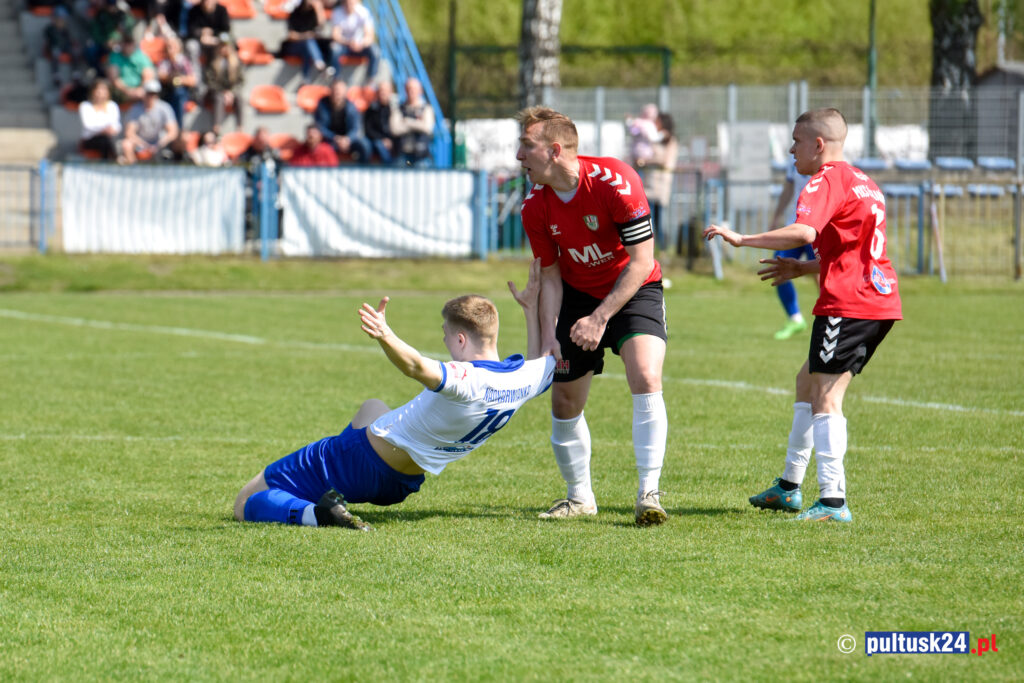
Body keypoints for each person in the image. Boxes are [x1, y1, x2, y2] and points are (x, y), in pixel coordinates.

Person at [233, 259, 556, 530]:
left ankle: (317, 514)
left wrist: (385, 334)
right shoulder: (521, 380)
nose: (444, 342)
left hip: (361, 461)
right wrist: (530, 309)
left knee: (246, 501)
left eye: (445, 335)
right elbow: (539, 360)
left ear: (461, 339)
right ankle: (328, 493)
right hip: (401, 484)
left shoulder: (468, 379)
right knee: (372, 406)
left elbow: (415, 366)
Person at [702, 108, 902, 523]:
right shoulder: (864, 182)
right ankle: (789, 487)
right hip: (878, 300)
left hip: (848, 302)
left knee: (826, 397)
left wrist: (742, 239)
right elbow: (851, 252)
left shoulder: (825, 179)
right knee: (806, 381)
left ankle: (832, 501)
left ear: (818, 144)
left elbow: (804, 232)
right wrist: (804, 267)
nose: (791, 149)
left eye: (796, 141)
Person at [515, 106, 669, 527]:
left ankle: (649, 493)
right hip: (577, 295)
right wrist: (549, 334)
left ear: (554, 150)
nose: (518, 156)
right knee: (565, 401)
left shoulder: (616, 180)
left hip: (633, 287)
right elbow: (550, 276)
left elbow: (641, 261)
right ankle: (579, 497)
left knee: (646, 376)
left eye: (526, 146)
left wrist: (600, 318)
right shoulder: (534, 207)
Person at [767, 157, 816, 340]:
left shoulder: (829, 160)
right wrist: (776, 216)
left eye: (798, 142)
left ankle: (833, 317)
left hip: (817, 229)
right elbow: (788, 188)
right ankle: (795, 319)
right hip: (795, 226)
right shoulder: (793, 159)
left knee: (821, 274)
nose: (793, 148)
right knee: (778, 267)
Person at [641, 112, 678, 251]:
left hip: (660, 185)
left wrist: (645, 160)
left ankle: (662, 250)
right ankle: (651, 249)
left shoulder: (670, 141)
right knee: (649, 221)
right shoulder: (655, 138)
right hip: (650, 185)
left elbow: (664, 159)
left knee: (659, 221)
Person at [120, 79, 179, 164]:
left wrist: (160, 144)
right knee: (126, 144)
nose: (151, 96)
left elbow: (173, 132)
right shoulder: (135, 109)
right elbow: (130, 133)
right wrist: (145, 145)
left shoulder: (165, 108)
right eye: (149, 93)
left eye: (154, 94)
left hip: (160, 143)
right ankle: (133, 168)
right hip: (140, 144)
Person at [314, 79, 370, 163]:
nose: (336, 93)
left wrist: (348, 139)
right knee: (323, 148)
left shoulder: (351, 107)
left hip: (348, 140)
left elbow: (355, 128)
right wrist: (335, 138)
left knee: (365, 144)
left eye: (339, 91)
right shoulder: (322, 105)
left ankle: (363, 168)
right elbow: (320, 127)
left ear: (345, 93)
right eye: (334, 90)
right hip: (330, 140)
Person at [202, 34, 244, 133]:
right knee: (219, 98)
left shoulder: (236, 62)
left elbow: (240, 81)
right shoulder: (213, 61)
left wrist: (232, 92)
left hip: (231, 92)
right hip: (216, 92)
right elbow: (210, 81)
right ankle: (217, 126)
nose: (224, 49)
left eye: (226, 46)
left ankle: (240, 127)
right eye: (221, 46)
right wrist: (223, 92)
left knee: (240, 99)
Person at [328, 0, 379, 81]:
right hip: (345, 45)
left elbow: (370, 36)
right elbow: (335, 35)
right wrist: (349, 42)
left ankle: (371, 79)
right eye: (347, 3)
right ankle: (336, 79)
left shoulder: (363, 12)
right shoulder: (338, 12)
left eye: (351, 3)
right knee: (335, 48)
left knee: (375, 51)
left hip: (361, 45)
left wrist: (361, 43)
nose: (349, 5)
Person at [281, 0, 329, 84]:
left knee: (307, 49)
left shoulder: (314, 13)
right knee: (308, 42)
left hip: (307, 48)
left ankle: (306, 78)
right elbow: (291, 36)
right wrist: (305, 36)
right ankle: (320, 65)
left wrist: (319, 8)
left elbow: (321, 27)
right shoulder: (295, 12)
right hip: (293, 46)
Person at [390, 77, 434, 167]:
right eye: (408, 89)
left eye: (414, 89)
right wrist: (418, 124)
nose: (411, 92)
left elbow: (427, 128)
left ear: (420, 91)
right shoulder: (398, 109)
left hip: (421, 156)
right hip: (402, 155)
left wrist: (407, 122)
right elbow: (394, 129)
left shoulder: (426, 108)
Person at [78, 78, 122, 161]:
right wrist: (104, 129)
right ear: (93, 91)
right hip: (91, 139)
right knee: (104, 140)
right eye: (98, 89)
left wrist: (112, 130)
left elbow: (117, 124)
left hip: (110, 138)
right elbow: (88, 125)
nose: (101, 92)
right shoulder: (85, 106)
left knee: (112, 141)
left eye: (104, 89)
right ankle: (112, 161)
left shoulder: (112, 105)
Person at [106, 36, 156, 104]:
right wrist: (128, 91)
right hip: (122, 92)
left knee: (151, 91)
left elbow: (148, 75)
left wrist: (140, 90)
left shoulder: (141, 56)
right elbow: (114, 78)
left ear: (133, 43)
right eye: (125, 42)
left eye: (129, 42)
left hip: (141, 91)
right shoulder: (115, 56)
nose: (127, 46)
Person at [363, 79, 398, 164]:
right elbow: (368, 129)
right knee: (374, 145)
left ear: (390, 92)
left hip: (393, 140)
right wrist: (382, 139)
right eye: (381, 90)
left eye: (385, 91)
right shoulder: (372, 108)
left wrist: (390, 140)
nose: (383, 93)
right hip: (376, 140)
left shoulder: (396, 109)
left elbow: (398, 128)